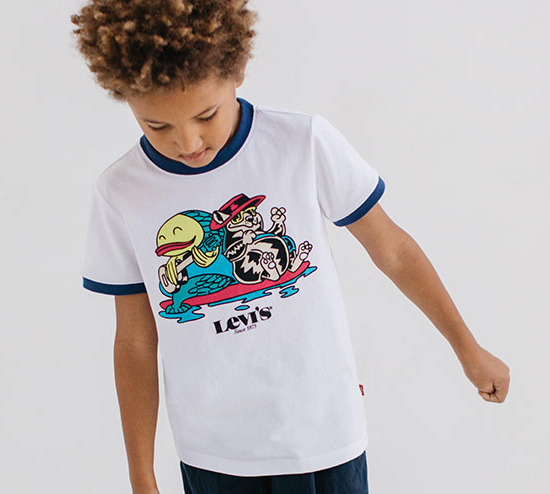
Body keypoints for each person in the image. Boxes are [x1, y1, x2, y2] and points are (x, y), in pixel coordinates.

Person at [70, 1, 511, 493]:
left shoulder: (302, 142)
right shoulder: (122, 192)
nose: (188, 142)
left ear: (237, 70)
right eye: (158, 126)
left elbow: (393, 251)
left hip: (324, 437)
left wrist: (468, 349)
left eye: (206, 115)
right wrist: (141, 475)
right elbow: (134, 341)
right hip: (214, 455)